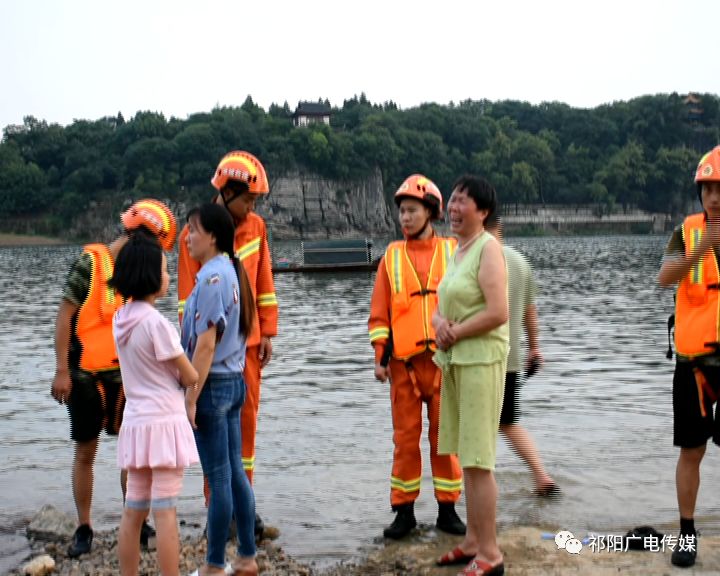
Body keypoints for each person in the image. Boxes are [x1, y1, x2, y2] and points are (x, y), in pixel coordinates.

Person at [50, 199, 177, 558]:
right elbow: (64, 315)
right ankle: (84, 527)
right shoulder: (90, 263)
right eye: (156, 247)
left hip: (125, 378)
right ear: (143, 236)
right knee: (86, 450)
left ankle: (135, 521)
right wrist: (61, 369)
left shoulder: (138, 273)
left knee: (133, 454)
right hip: (84, 375)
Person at [178, 151, 277, 537]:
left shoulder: (257, 227)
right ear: (228, 190)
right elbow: (189, 301)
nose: (252, 207)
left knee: (245, 433)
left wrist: (268, 330)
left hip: (248, 348)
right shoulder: (196, 236)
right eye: (248, 198)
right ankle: (217, 513)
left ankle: (244, 509)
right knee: (214, 438)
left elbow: (265, 282)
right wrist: (190, 361)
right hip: (212, 355)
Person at [368, 174, 465, 539]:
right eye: (402, 212)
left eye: (411, 211)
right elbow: (380, 315)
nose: (404, 218)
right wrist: (380, 357)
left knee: (446, 440)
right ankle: (404, 512)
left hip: (445, 364)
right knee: (405, 440)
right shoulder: (390, 258)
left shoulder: (452, 252)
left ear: (430, 212)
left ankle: (448, 510)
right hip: (403, 367)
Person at [109, 231, 199, 576]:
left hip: (136, 423)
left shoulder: (121, 319)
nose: (168, 276)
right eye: (164, 270)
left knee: (134, 509)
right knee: (165, 511)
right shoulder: (157, 323)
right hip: (164, 424)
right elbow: (189, 375)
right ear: (148, 274)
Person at [433, 176, 508, 576]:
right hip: (456, 361)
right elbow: (441, 303)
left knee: (480, 460)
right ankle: (473, 541)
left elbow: (498, 312)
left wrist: (454, 331)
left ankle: (491, 554)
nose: (454, 207)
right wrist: (438, 324)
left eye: (463, 201)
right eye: (452, 200)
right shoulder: (458, 251)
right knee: (467, 456)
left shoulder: (487, 249)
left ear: (482, 211)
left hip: (480, 361)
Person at [182, 203, 258, 576]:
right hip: (233, 381)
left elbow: (206, 344)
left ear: (212, 236)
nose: (187, 238)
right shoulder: (229, 271)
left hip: (213, 387)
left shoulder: (213, 278)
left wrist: (191, 396)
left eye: (192, 230)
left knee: (220, 477)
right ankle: (246, 556)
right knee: (236, 473)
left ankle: (214, 565)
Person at [657, 145, 720, 568]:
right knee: (691, 450)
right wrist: (701, 250)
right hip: (693, 365)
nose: (714, 197)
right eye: (708, 188)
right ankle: (686, 532)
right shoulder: (686, 231)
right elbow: (664, 278)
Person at [484, 215, 557, 496]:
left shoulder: (476, 258)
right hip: (511, 357)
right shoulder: (520, 261)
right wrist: (534, 347)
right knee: (508, 423)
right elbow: (530, 311)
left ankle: (480, 487)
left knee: (477, 428)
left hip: (483, 357)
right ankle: (541, 475)